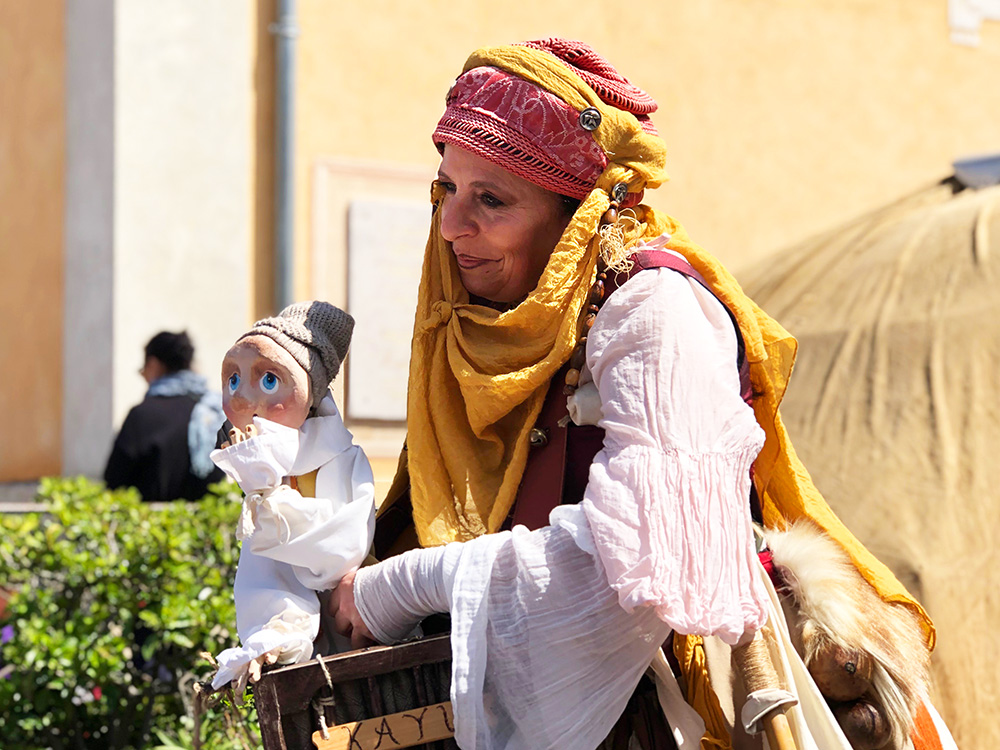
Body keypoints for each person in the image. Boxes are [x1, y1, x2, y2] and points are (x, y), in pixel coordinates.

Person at [326, 39, 946, 750]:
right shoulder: (492, 322)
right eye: (447, 189)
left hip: (671, 710)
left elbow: (628, 575)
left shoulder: (655, 312)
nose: (452, 226)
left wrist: (394, 591)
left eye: (491, 199)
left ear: (579, 212)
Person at [208, 301, 375, 692]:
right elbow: (261, 568)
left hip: (356, 631)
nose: (244, 400)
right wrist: (273, 635)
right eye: (233, 381)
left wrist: (268, 498)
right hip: (297, 658)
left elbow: (340, 550)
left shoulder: (339, 458)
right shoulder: (264, 465)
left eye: (268, 381)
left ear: (311, 391)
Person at [104, 330, 225, 501]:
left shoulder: (142, 415)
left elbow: (115, 482)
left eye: (143, 370)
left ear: (153, 365)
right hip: (211, 522)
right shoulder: (215, 409)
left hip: (153, 523)